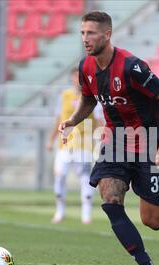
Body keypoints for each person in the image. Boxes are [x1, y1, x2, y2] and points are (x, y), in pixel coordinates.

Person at [59, 11, 159, 265]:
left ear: (107, 34)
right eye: (83, 33)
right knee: (110, 201)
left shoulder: (131, 66)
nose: (86, 39)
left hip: (149, 144)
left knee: (153, 220)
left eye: (91, 33)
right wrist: (73, 121)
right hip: (115, 142)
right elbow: (89, 100)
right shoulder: (85, 67)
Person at [47, 67, 97, 225]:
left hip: (85, 145)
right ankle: (60, 211)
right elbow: (58, 119)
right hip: (65, 144)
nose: (77, 80)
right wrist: (51, 139)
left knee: (85, 179)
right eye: (75, 77)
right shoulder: (64, 96)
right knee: (59, 176)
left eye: (80, 77)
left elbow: (99, 120)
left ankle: (86, 214)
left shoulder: (92, 96)